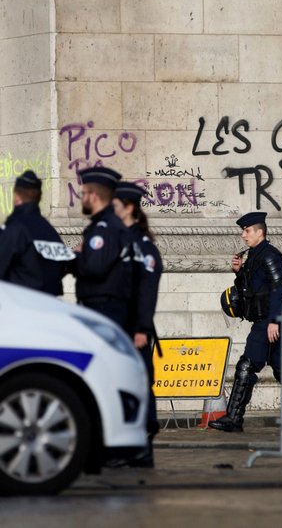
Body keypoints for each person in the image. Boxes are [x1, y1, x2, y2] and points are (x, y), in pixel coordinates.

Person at [209, 212, 282, 432]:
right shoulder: (253, 256)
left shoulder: (270, 255)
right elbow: (250, 290)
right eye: (243, 231)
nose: (243, 235)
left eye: (247, 231)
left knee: (246, 365)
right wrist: (239, 272)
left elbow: (280, 289)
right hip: (264, 321)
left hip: (267, 322)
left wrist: (273, 321)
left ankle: (233, 418)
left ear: (260, 232)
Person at [111, 180, 161, 467]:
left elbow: (147, 290)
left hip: (135, 329)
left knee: (140, 383)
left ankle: (142, 447)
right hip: (121, 325)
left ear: (128, 208)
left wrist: (142, 327)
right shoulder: (120, 239)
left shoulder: (141, 245)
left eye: (115, 206)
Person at [0, 170, 73, 295]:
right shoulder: (49, 231)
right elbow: (62, 267)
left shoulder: (14, 229)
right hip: (49, 305)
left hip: (22, 304)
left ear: (16, 196)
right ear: (39, 198)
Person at [72, 166, 133, 331]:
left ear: (94, 196)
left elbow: (94, 268)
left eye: (83, 194)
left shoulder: (105, 228)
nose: (82, 198)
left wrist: (76, 256)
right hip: (103, 308)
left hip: (103, 309)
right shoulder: (106, 224)